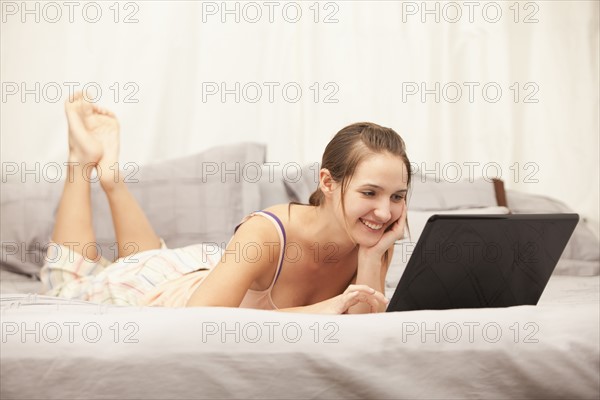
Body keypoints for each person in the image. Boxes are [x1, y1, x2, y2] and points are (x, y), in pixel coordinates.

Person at [41, 92, 411, 314]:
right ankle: (82, 159)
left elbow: (360, 330)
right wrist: (319, 311)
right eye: (369, 192)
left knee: (144, 255)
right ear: (328, 182)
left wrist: (369, 258)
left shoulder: (373, 239)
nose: (384, 211)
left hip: (204, 271)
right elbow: (200, 320)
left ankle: (111, 179)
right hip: (171, 294)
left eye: (397, 197)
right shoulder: (266, 232)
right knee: (67, 283)